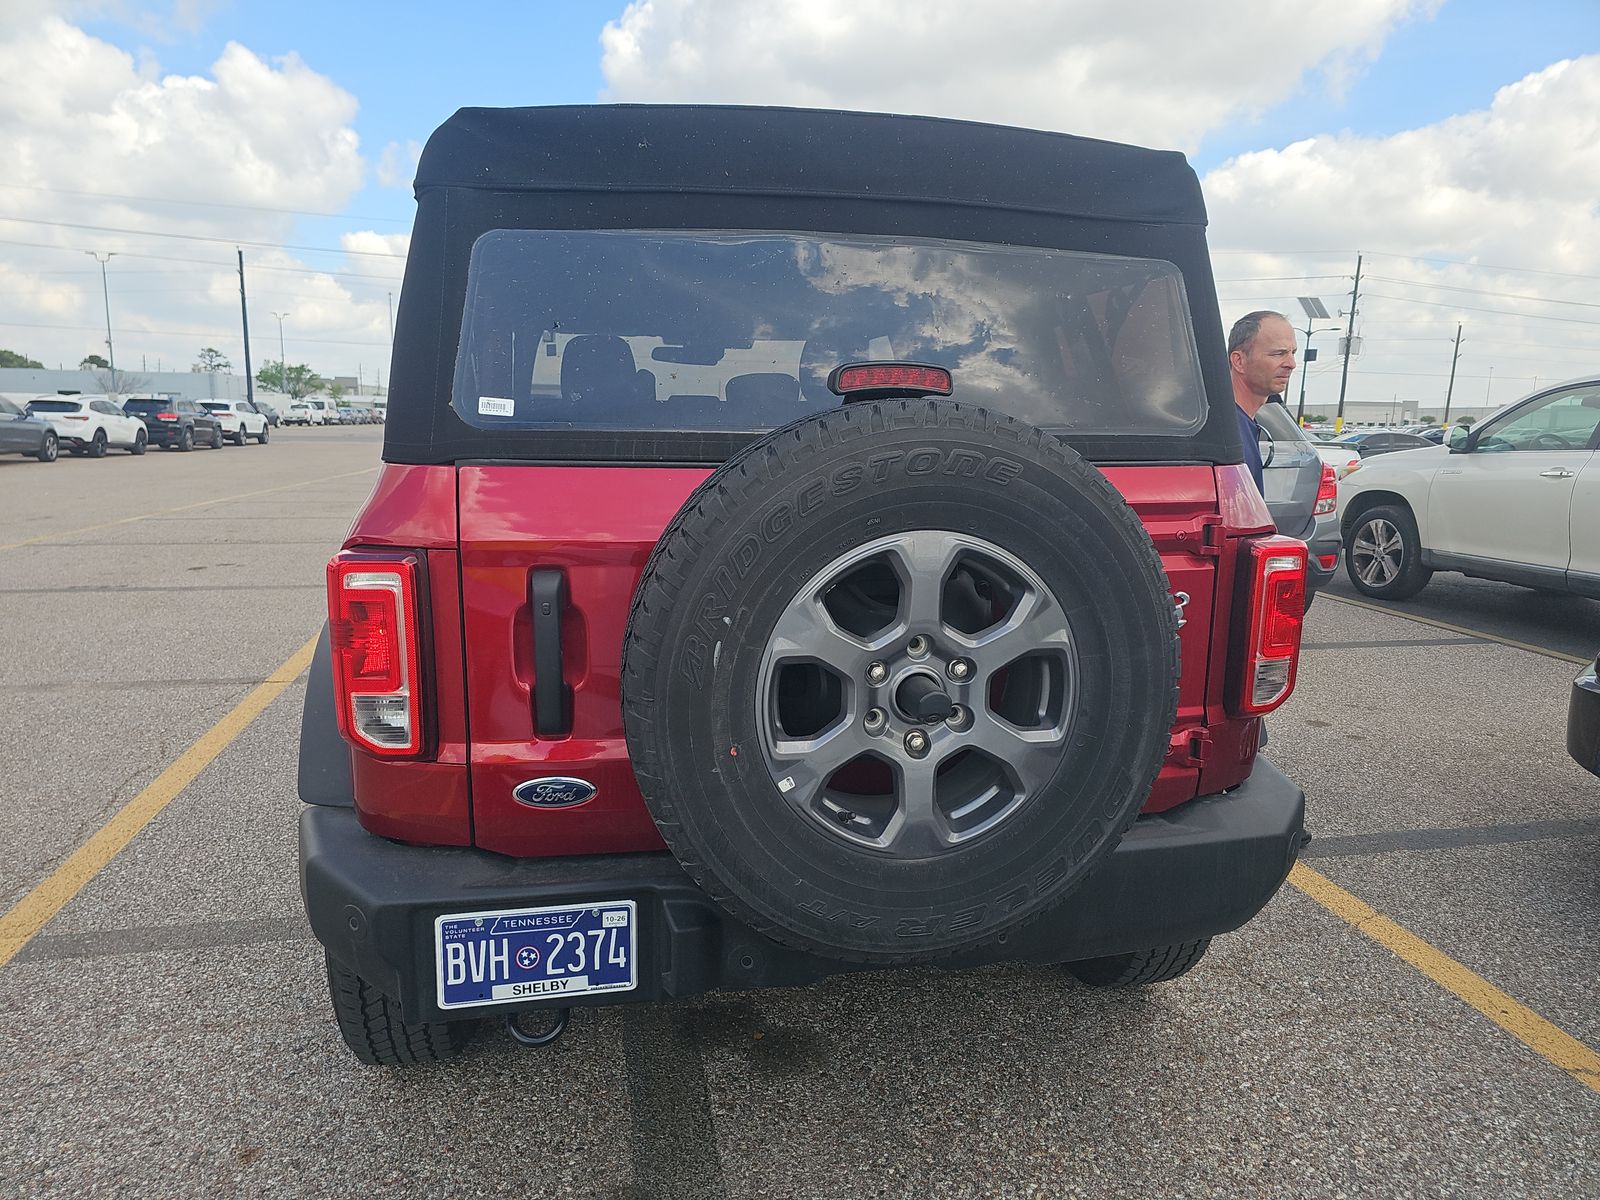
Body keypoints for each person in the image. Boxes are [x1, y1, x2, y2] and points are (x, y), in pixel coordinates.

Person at [1226, 310, 1297, 495]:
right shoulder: (1228, 432)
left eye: (1292, 353)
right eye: (1278, 353)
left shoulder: (1243, 423)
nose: (1291, 363)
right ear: (1239, 361)